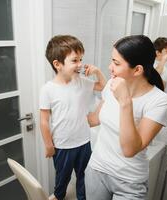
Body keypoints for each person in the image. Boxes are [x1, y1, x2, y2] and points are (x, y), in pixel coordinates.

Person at [85, 35, 167, 200]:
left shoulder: (159, 101)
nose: (110, 67)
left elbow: (130, 149)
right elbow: (94, 119)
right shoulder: (111, 86)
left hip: (130, 182)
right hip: (97, 170)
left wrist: (125, 102)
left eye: (116, 63)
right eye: (112, 61)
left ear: (137, 70)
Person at [39, 35, 106, 200]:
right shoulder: (48, 90)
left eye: (81, 59)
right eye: (75, 60)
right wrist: (48, 145)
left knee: (85, 177)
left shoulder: (82, 82)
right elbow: (44, 120)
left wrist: (97, 71)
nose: (80, 64)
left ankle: (83, 198)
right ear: (57, 64)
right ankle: (58, 196)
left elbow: (104, 87)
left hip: (84, 141)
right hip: (62, 145)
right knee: (63, 178)